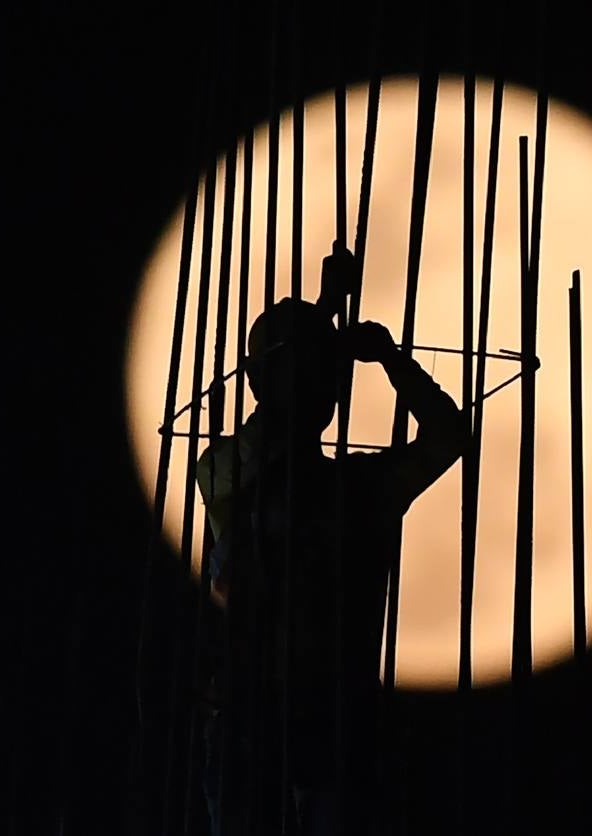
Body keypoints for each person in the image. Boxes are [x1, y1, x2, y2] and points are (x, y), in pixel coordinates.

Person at [195, 245, 467, 835]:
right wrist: (332, 320)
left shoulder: (360, 486)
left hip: (330, 720)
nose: (319, 383)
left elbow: (450, 437)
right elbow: (274, 432)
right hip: (255, 714)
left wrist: (382, 354)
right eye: (309, 369)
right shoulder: (227, 473)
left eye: (322, 372)